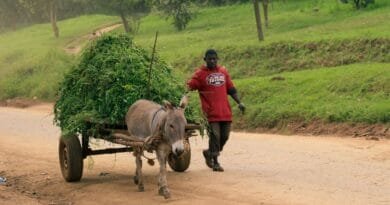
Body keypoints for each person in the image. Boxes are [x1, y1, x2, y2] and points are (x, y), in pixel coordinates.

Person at [187, 49, 245, 172]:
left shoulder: (223, 72)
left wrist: (239, 102)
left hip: (225, 112)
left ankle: (209, 153)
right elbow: (189, 86)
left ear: (217, 59)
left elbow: (231, 89)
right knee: (215, 136)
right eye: (210, 59)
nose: (212, 61)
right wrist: (183, 94)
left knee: (224, 136)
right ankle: (215, 162)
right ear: (205, 60)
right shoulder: (200, 74)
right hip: (210, 113)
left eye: (214, 59)